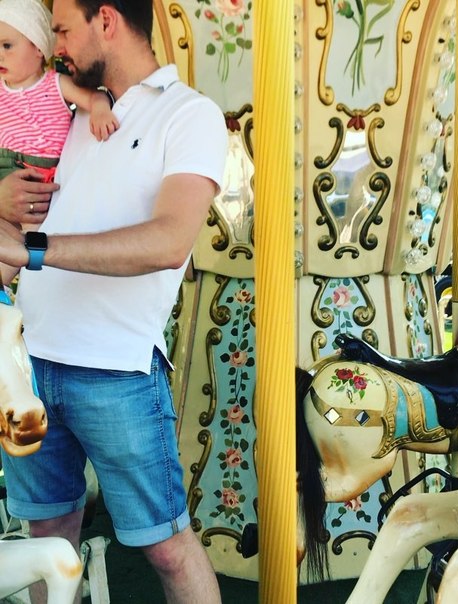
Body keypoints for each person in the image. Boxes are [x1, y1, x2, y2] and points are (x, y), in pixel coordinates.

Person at [0, 0, 227, 603]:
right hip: (31, 362)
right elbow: (19, 213)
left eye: (63, 30)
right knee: (46, 540)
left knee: (167, 547)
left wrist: (36, 250)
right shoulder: (69, 111)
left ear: (106, 20)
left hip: (116, 369)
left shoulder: (189, 114)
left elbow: (169, 241)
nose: (55, 47)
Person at [0, 0, 119, 228]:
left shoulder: (56, 83)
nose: (0, 55)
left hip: (45, 175)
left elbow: (94, 97)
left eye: (7, 46)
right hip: (4, 168)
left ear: (38, 48)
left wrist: (100, 109)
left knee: (34, 230)